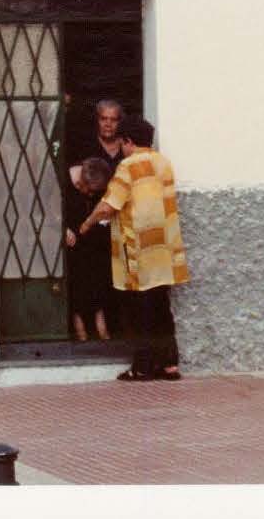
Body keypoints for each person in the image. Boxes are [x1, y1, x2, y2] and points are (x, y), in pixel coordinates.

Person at [79, 115, 187, 380]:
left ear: (128, 141)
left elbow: (108, 206)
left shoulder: (127, 167)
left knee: (139, 309)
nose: (122, 148)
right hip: (163, 248)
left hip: (137, 249)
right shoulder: (163, 163)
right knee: (160, 305)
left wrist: (87, 223)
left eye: (122, 143)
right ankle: (169, 364)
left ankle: (142, 366)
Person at [61, 156, 116, 342]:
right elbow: (47, 208)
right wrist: (63, 228)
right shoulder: (62, 178)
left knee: (97, 272)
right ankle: (78, 324)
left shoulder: (96, 177)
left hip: (92, 238)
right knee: (74, 276)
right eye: (90, 191)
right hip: (70, 242)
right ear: (81, 182)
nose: (91, 195)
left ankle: (100, 320)